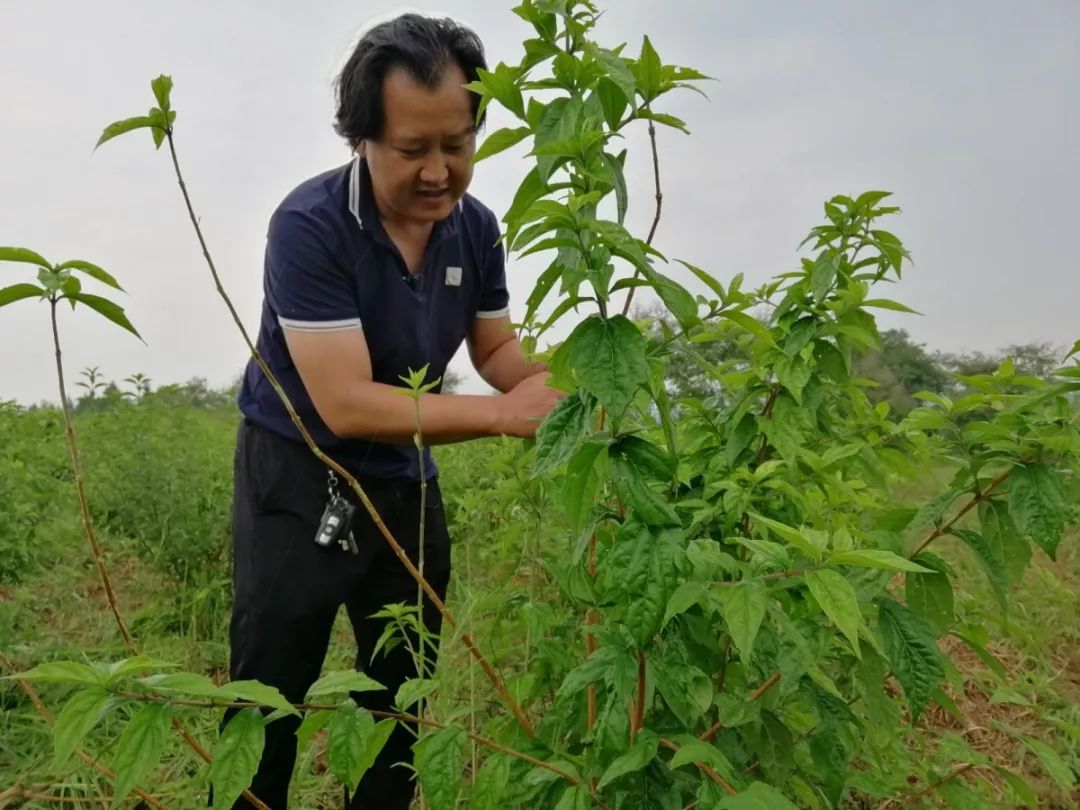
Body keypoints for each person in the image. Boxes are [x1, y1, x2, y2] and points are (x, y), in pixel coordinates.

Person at [229, 13, 562, 809]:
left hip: (405, 477)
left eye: (458, 145)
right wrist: (503, 417)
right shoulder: (310, 226)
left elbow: (494, 349)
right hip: (299, 474)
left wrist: (566, 384)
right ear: (362, 139)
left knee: (400, 694)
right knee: (270, 691)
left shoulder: (475, 229)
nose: (439, 173)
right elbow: (345, 404)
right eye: (413, 150)